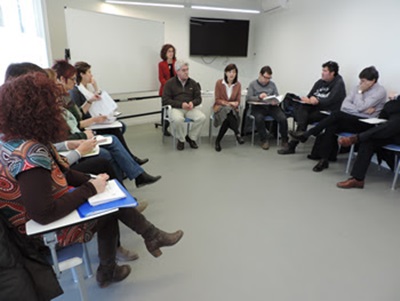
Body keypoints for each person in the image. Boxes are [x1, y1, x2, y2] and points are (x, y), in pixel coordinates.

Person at [0, 72, 184, 288]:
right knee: (107, 210)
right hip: (39, 238)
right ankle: (120, 261)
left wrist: (94, 180)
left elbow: (64, 173)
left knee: (107, 195)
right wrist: (90, 188)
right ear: (38, 110)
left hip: (43, 218)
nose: (58, 110)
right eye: (53, 104)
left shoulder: (24, 141)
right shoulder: (30, 154)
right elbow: (43, 214)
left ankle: (143, 242)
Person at [51, 60, 161, 187]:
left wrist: (92, 104)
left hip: (84, 131)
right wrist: (89, 127)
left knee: (116, 132)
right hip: (82, 134)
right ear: (62, 79)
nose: (91, 75)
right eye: (89, 72)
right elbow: (76, 123)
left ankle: (133, 175)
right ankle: (131, 177)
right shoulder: (71, 94)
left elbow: (77, 118)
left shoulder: (66, 97)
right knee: (110, 144)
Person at [290, 66, 387, 172]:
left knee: (336, 115)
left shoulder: (380, 91)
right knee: (332, 125)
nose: (361, 83)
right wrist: (361, 109)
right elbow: (344, 106)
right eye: (360, 80)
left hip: (365, 123)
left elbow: (360, 107)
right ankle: (324, 160)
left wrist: (360, 94)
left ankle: (307, 134)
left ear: (373, 81)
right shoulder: (357, 87)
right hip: (352, 118)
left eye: (364, 81)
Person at [66, 60, 149, 165]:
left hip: (96, 120)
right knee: (116, 131)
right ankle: (130, 160)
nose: (91, 75)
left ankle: (129, 160)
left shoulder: (87, 88)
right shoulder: (76, 91)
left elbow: (100, 99)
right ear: (82, 74)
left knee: (120, 127)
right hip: (90, 124)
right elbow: (80, 116)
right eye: (89, 72)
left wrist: (95, 86)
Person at [278, 61, 346, 154]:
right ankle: (301, 134)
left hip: (327, 112)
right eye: (322, 70)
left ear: (332, 73)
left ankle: (294, 143)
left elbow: (330, 100)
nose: (322, 72)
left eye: (325, 71)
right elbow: (310, 95)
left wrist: (317, 100)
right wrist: (309, 99)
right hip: (314, 108)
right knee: (302, 107)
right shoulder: (320, 82)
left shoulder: (338, 84)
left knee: (303, 117)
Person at [336, 93, 400, 188]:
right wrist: (394, 100)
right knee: (368, 140)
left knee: (397, 120)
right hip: (391, 133)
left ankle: (356, 138)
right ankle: (357, 179)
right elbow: (385, 114)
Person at [162, 59, 206, 151]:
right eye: (184, 70)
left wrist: (192, 103)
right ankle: (181, 140)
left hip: (190, 109)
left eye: (187, 70)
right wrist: (181, 104)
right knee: (178, 119)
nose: (186, 72)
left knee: (202, 117)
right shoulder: (169, 83)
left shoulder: (193, 83)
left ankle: (191, 138)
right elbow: (165, 100)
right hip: (175, 108)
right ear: (177, 71)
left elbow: (199, 98)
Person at [246, 66, 289, 150]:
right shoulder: (253, 84)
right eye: (265, 77)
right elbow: (248, 98)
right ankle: (264, 140)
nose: (267, 80)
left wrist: (275, 100)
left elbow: (276, 95)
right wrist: (259, 97)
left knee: (283, 118)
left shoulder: (272, 84)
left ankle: (285, 139)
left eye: (269, 78)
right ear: (260, 75)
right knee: (259, 118)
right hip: (258, 107)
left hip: (271, 106)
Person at [213, 63, 244, 152]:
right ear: (225, 73)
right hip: (220, 109)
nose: (232, 74)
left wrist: (235, 104)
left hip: (232, 111)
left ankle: (217, 141)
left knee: (228, 117)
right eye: (229, 72)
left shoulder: (238, 85)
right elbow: (217, 99)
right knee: (227, 111)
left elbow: (238, 101)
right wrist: (228, 103)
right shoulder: (219, 83)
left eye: (234, 72)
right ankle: (237, 133)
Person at [158, 44, 177, 136]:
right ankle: (165, 128)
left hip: (176, 91)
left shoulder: (177, 62)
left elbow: (179, 76)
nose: (171, 53)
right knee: (165, 110)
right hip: (165, 90)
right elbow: (161, 78)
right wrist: (169, 86)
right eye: (169, 51)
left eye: (172, 51)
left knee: (175, 109)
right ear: (165, 53)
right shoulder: (161, 64)